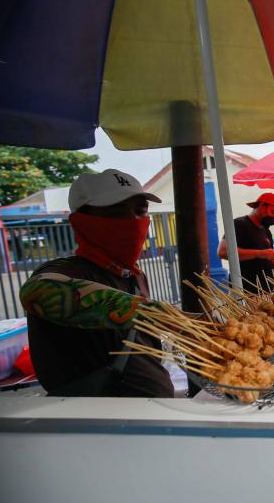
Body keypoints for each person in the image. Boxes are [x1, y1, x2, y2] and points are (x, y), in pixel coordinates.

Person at [19, 169, 174, 398]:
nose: (133, 222)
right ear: (81, 222)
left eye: (140, 211)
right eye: (116, 213)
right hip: (94, 417)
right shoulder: (69, 271)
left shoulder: (135, 276)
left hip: (152, 412)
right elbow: (36, 292)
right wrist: (163, 316)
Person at [218, 192, 274, 293]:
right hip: (244, 291)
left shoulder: (266, 231)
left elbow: (266, 262)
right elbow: (223, 252)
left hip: (265, 290)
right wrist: (260, 253)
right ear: (262, 206)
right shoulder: (239, 224)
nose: (273, 217)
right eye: (273, 212)